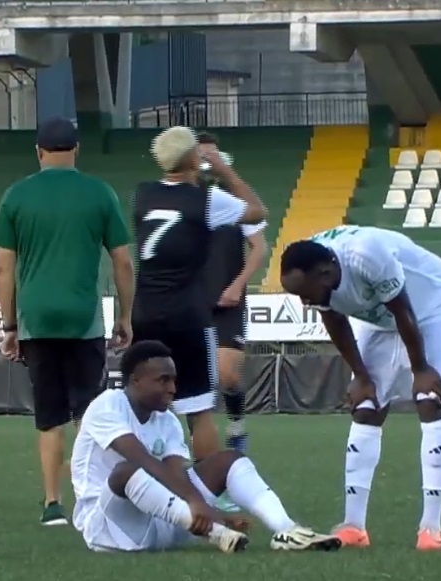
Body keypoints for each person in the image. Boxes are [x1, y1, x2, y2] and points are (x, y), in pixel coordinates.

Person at [279, 225, 441, 551]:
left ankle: (430, 529)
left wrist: (420, 369)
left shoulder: (367, 254)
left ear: (325, 273)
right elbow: (334, 321)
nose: (304, 302)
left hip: (430, 306)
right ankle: (354, 527)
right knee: (366, 407)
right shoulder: (317, 267)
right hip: (379, 317)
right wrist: (361, 377)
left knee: (430, 399)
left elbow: (403, 311)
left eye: (305, 293)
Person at [0, 116, 135, 526]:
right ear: (77, 150)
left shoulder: (16, 196)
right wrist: (125, 316)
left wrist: (9, 327)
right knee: (90, 416)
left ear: (38, 151)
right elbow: (123, 262)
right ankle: (97, 498)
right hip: (83, 319)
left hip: (37, 319)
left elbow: (5, 268)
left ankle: (52, 504)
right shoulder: (99, 193)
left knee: (48, 416)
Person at [70, 339, 342, 553]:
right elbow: (142, 460)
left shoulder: (168, 421)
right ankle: (216, 532)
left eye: (174, 380)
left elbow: (176, 472)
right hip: (109, 529)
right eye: (163, 380)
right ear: (135, 381)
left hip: (168, 521)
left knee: (228, 460)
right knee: (125, 471)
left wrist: (208, 507)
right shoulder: (107, 406)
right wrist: (200, 504)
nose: (173, 388)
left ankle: (287, 531)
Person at [131, 126, 267, 465]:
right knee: (198, 409)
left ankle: (144, 482)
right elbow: (257, 210)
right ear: (194, 159)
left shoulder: (143, 194)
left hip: (145, 310)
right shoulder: (207, 199)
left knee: (143, 403)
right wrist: (223, 170)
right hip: (187, 313)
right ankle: (206, 491)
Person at [198, 132, 268, 457]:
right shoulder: (184, 199)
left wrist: (238, 285)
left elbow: (259, 247)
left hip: (227, 301)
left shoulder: (236, 202)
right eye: (202, 157)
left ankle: (237, 427)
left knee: (227, 373)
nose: (208, 163)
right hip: (191, 300)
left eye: (214, 157)